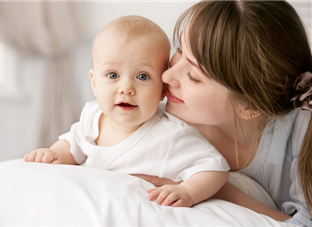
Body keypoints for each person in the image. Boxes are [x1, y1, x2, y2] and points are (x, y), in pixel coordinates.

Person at [133, 0, 312, 226]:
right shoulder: (165, 122)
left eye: (194, 76)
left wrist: (206, 186)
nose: (167, 76)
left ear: (250, 107)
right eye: (179, 50)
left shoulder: (303, 133)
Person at [23, 15, 230, 208]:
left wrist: (187, 192)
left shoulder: (171, 134)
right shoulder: (92, 115)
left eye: (142, 77)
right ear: (94, 83)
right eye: (113, 75)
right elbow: (73, 143)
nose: (126, 88)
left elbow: (214, 168)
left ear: (162, 90)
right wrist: (54, 154)